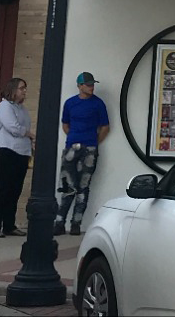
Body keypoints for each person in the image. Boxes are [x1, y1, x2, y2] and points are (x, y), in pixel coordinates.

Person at [54, 72, 110, 236]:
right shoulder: (70, 103)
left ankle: (76, 223)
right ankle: (59, 222)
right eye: (88, 84)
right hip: (72, 147)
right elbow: (65, 124)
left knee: (83, 186)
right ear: (79, 86)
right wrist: (74, 139)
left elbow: (105, 127)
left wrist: (92, 142)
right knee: (67, 185)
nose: (91, 87)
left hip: (89, 148)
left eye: (93, 84)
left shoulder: (98, 104)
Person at [0, 78, 34, 237]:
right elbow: (12, 127)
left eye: (25, 88)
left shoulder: (23, 109)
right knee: (2, 189)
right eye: (21, 88)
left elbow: (24, 128)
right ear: (13, 90)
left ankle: (9, 225)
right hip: (7, 150)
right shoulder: (4, 106)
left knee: (15, 190)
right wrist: (28, 133)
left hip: (22, 153)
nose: (24, 91)